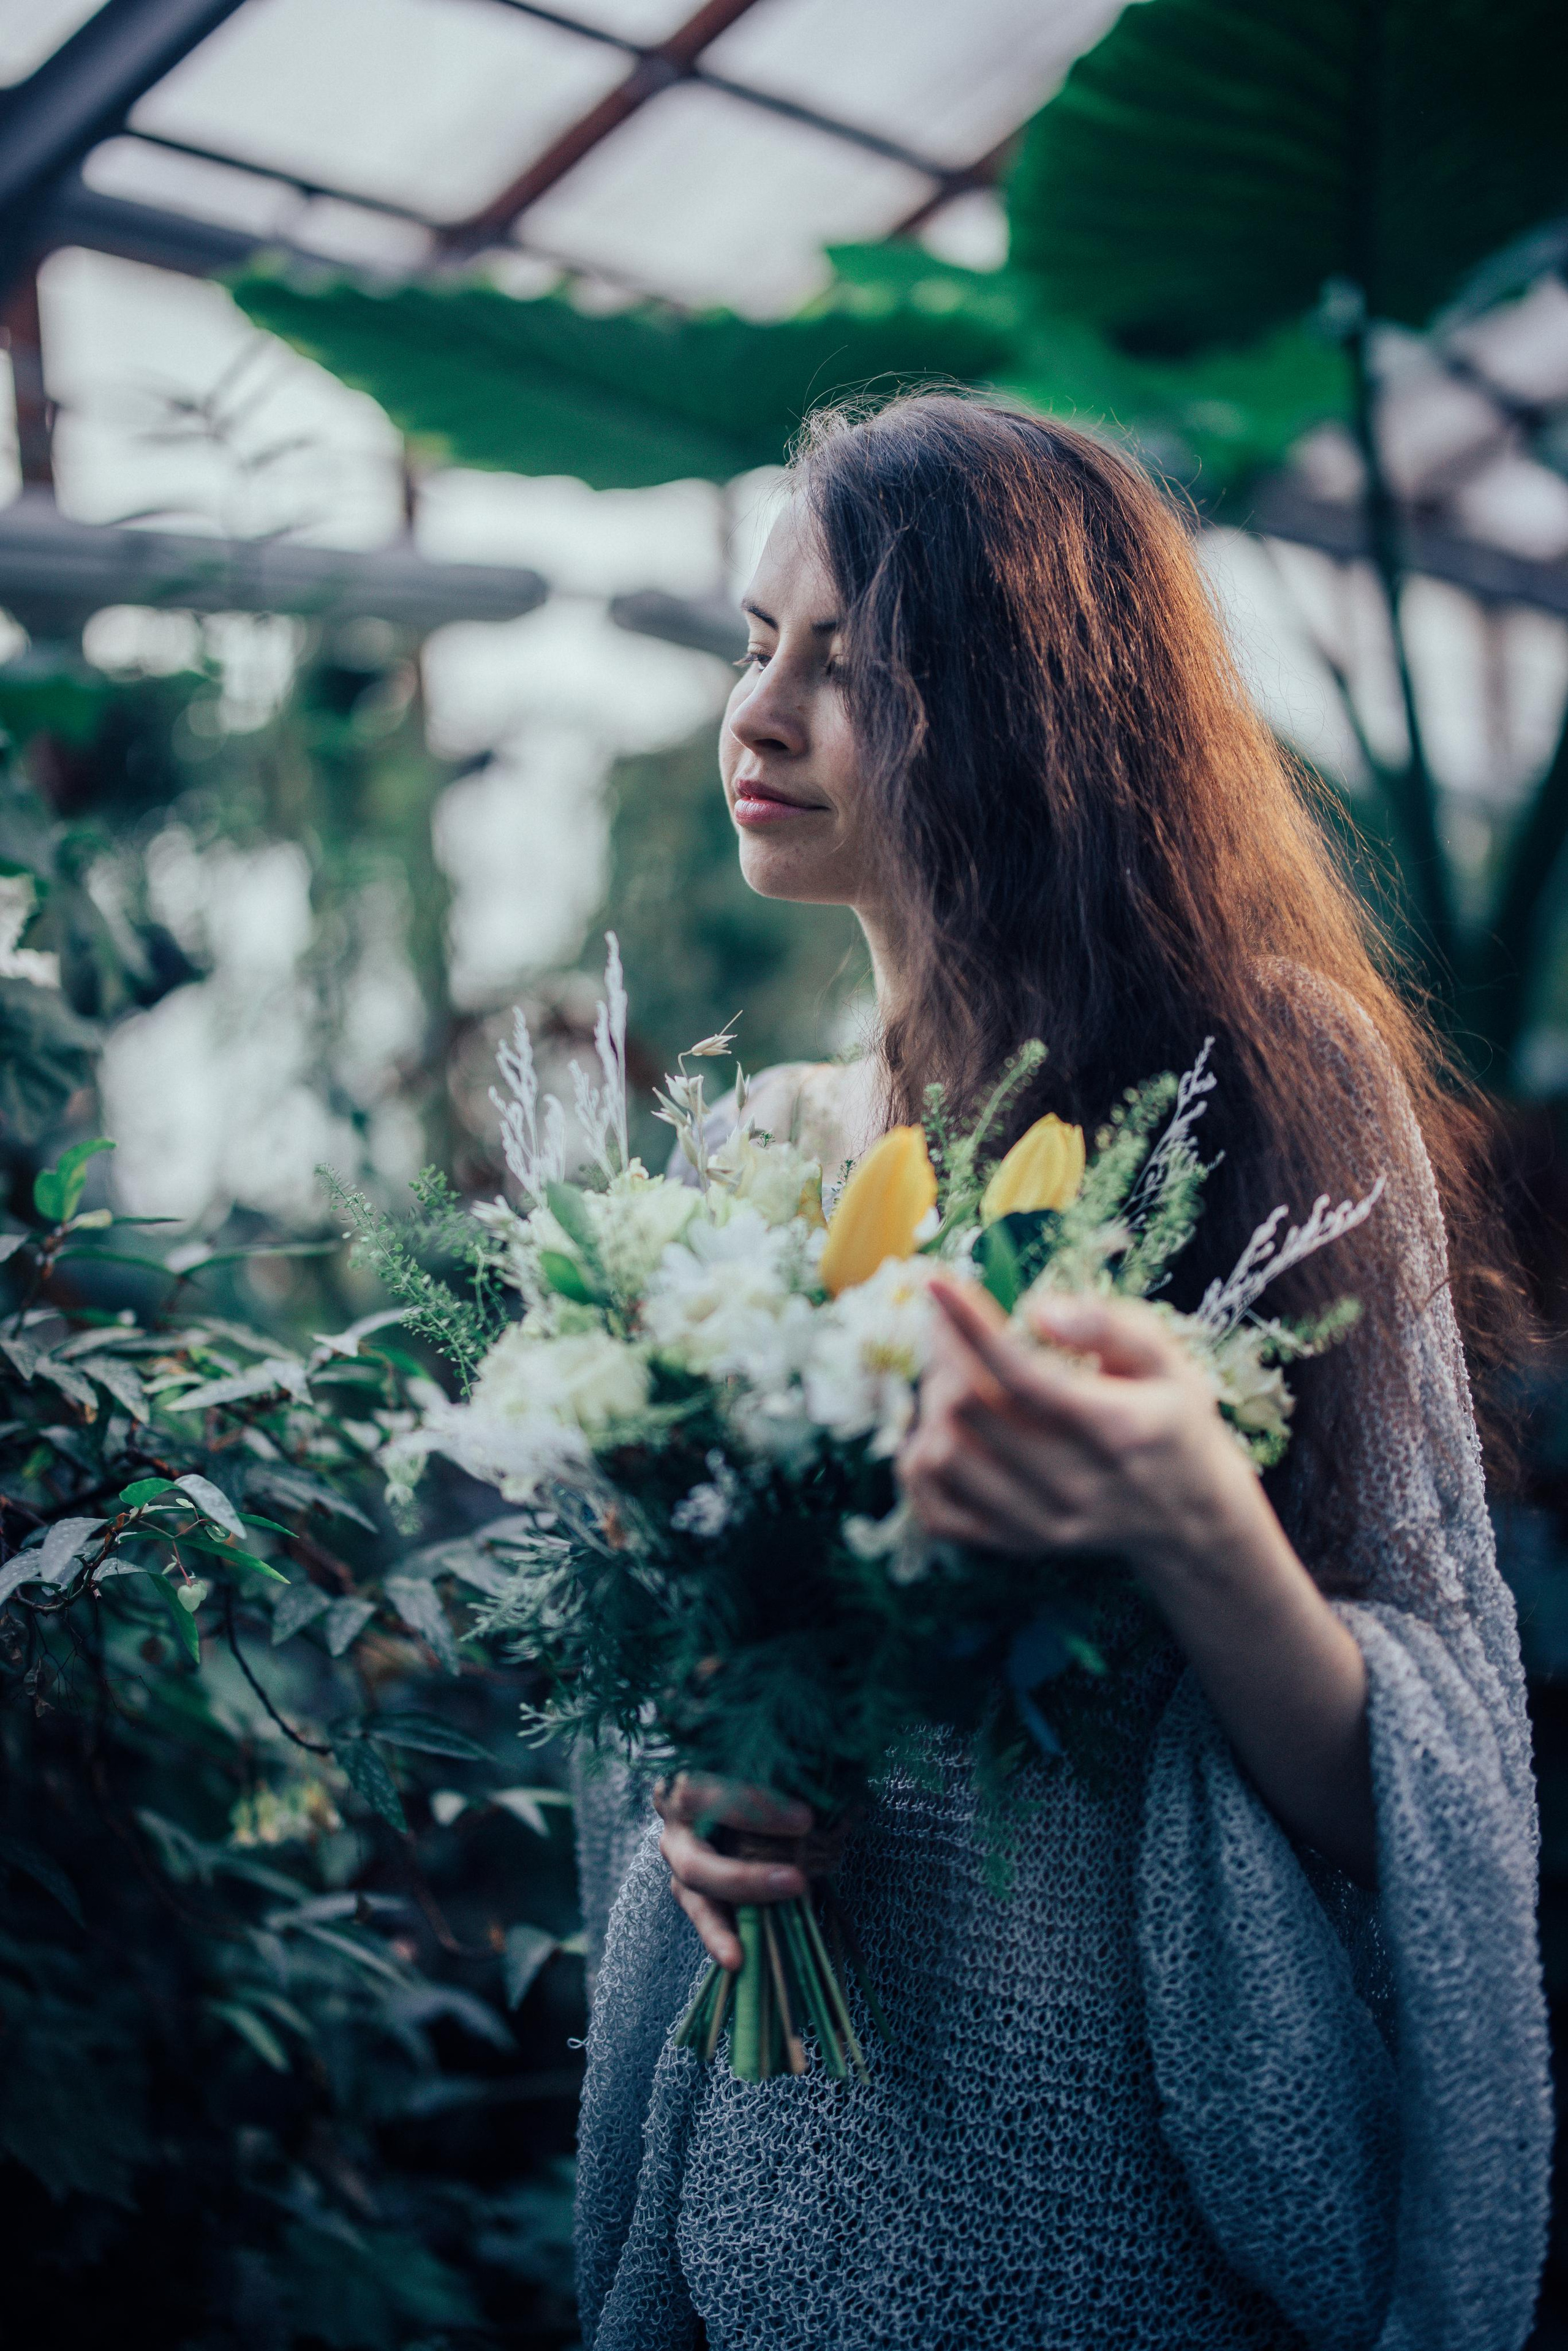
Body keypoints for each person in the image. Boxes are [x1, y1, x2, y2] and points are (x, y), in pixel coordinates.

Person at [573, 392, 1550, 2350]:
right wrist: (702, 1801)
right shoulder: (754, 1150)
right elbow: (685, 1684)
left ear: (1031, 708)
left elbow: (1435, 1785)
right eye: (758, 646)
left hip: (1132, 2229)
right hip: (779, 2219)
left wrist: (1198, 1524)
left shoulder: (1267, 1086)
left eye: (852, 670)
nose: (760, 716)